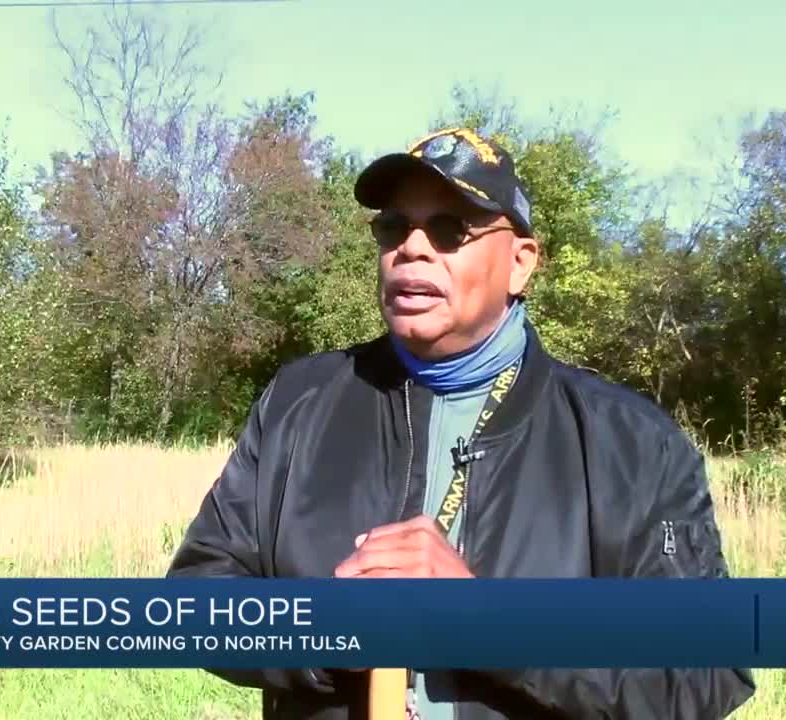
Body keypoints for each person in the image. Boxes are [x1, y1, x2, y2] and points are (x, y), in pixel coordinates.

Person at [167, 127, 756, 719]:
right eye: (394, 228)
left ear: (520, 264)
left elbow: (705, 675)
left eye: (451, 230)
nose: (413, 249)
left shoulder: (631, 443)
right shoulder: (299, 403)